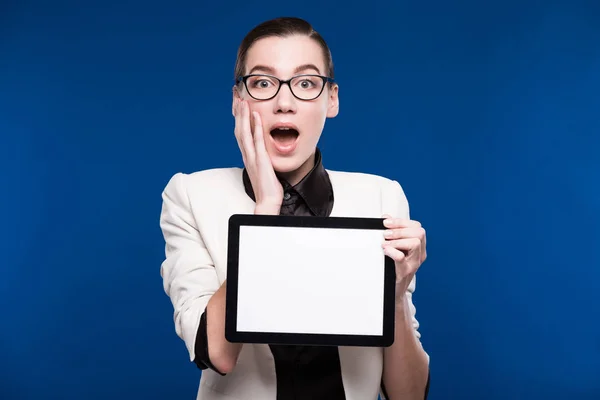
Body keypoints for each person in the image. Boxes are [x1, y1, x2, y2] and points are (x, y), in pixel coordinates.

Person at [159, 16, 430, 400]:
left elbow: (409, 395)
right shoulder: (190, 194)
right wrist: (265, 210)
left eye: (306, 83)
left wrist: (397, 293)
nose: (284, 103)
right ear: (239, 100)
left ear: (331, 99)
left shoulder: (381, 197)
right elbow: (216, 353)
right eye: (263, 83)